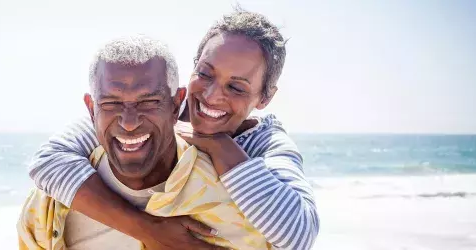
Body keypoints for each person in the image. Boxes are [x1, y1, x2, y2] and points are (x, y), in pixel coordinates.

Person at [28, 11, 318, 250]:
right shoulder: (157, 111)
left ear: (264, 97)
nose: (212, 95)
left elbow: (298, 234)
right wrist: (149, 230)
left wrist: (220, 147)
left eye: (236, 87)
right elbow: (48, 162)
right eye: (205, 74)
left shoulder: (264, 144)